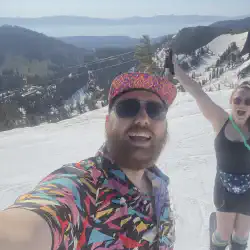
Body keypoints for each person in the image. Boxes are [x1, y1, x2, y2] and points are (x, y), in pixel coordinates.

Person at [0, 72, 177, 250]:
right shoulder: (85, 187)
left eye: (155, 110)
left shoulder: (158, 184)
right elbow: (32, 225)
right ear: (108, 123)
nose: (143, 119)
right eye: (128, 108)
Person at [174, 59, 250, 250]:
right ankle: (217, 233)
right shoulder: (221, 120)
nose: (243, 104)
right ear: (231, 102)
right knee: (223, 236)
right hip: (224, 187)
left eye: (248, 101)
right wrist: (173, 65)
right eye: (238, 99)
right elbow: (196, 92)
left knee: (241, 237)